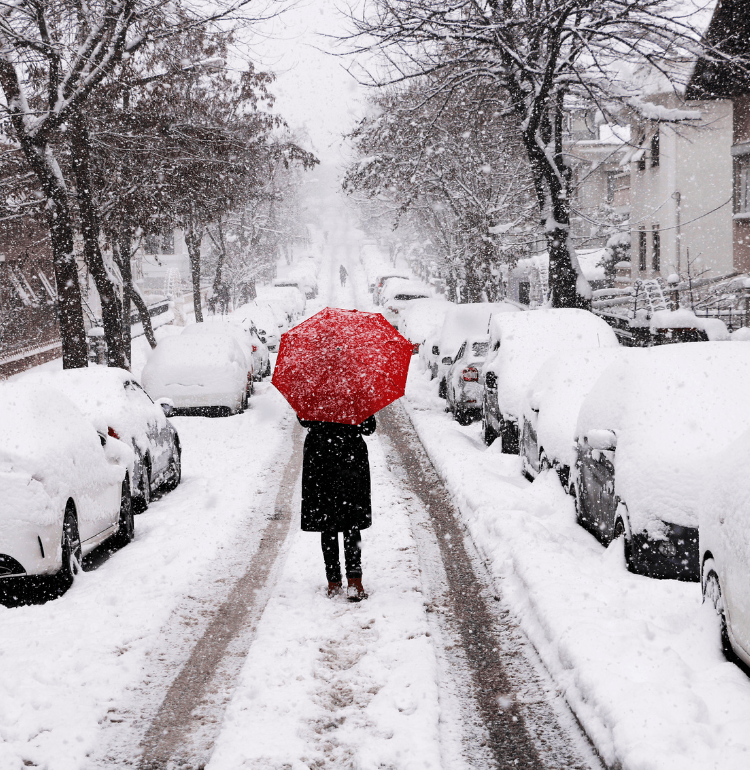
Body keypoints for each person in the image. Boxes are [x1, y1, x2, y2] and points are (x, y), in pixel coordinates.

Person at [298, 415, 376, 601]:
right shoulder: (356, 392)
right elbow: (368, 428)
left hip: (320, 460)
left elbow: (304, 420)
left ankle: (333, 582)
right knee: (351, 522)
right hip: (350, 460)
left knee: (328, 523)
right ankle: (354, 582)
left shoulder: (315, 391)